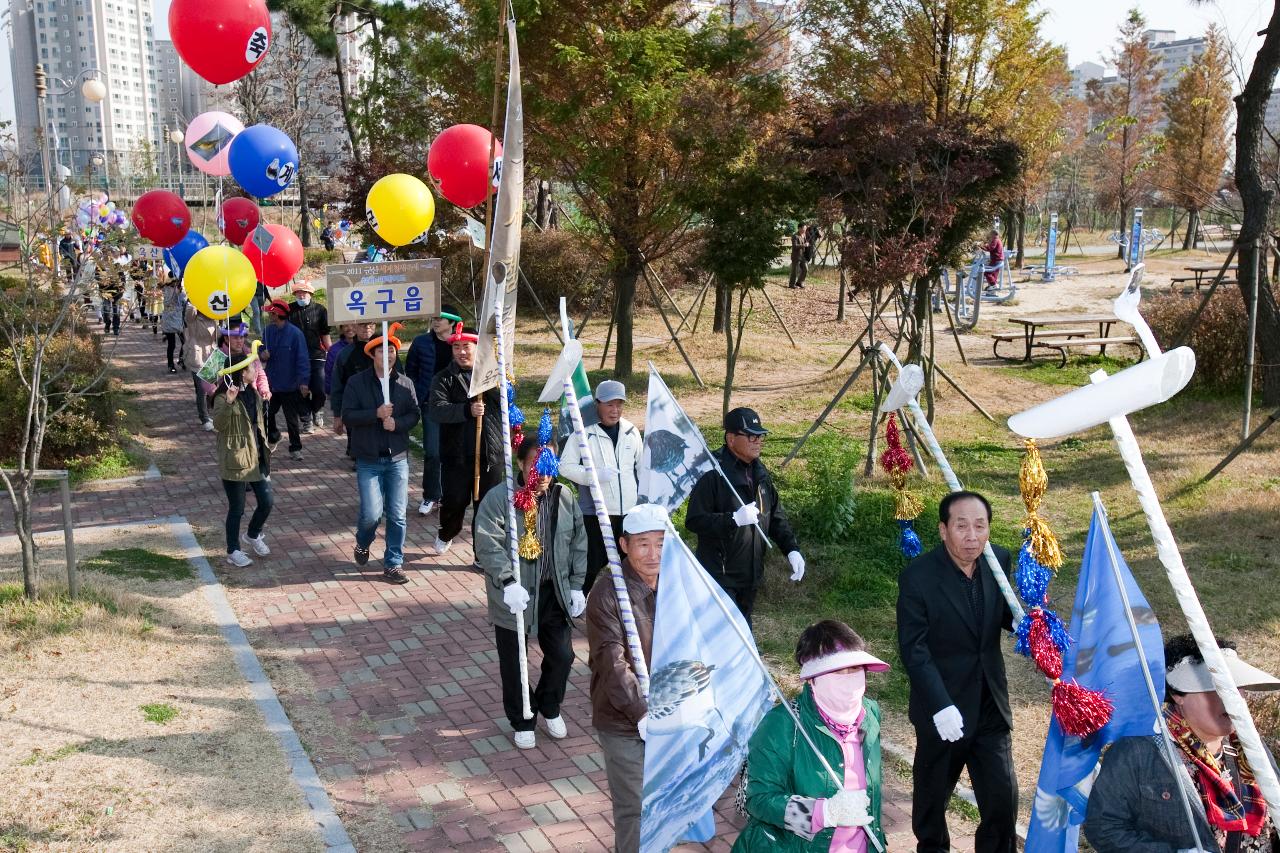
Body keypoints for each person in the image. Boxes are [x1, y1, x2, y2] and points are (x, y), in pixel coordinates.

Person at [896, 490, 1017, 853]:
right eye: (962, 526)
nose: (972, 536)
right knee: (932, 801)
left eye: (980, 526)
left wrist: (1034, 619)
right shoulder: (918, 577)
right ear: (943, 530)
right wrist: (940, 705)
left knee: (1002, 802)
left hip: (990, 703)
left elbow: (1010, 617)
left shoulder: (999, 562)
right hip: (944, 709)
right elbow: (913, 649)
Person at [1084, 634, 1280, 853]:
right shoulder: (1138, 751)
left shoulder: (1251, 745)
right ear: (1178, 695)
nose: (1232, 699)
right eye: (1217, 689)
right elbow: (1103, 827)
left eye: (1237, 688)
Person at [734, 620, 890, 852]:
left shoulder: (870, 714)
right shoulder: (781, 724)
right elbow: (758, 800)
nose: (850, 678)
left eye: (856, 668)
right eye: (838, 670)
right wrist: (823, 813)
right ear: (812, 679)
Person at [474, 437, 588, 750]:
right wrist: (507, 581)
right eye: (536, 465)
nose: (544, 473)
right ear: (522, 465)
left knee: (563, 655)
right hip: (513, 594)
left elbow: (578, 541)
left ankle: (549, 704)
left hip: (554, 592)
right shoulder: (500, 498)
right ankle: (522, 718)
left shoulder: (564, 496)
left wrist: (577, 585)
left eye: (549, 466)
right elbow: (487, 543)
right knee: (515, 660)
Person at [586, 502, 667, 853]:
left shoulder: (677, 583)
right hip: (623, 719)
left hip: (670, 712)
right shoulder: (608, 593)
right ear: (624, 545)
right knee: (634, 808)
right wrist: (641, 712)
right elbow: (612, 662)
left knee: (664, 805)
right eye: (644, 543)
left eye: (661, 543)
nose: (653, 554)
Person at [685, 407, 804, 626]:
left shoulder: (760, 472)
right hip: (720, 575)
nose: (758, 441)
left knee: (744, 631)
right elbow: (694, 520)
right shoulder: (713, 472)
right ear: (731, 438)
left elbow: (775, 515)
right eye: (751, 436)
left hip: (751, 574)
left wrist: (792, 549)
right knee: (725, 636)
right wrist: (733, 519)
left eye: (760, 436)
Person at [340, 327, 419, 585]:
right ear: (372, 354)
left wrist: (397, 423)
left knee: (397, 514)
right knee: (371, 514)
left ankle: (393, 563)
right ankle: (363, 542)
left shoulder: (405, 383)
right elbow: (348, 415)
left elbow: (414, 414)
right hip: (368, 460)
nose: (388, 355)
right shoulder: (357, 382)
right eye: (382, 351)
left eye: (392, 350)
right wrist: (375, 414)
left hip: (397, 458)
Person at [558, 379, 642, 593]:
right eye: (609, 405)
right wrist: (594, 476)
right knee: (590, 564)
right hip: (595, 512)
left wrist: (643, 502)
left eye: (619, 404)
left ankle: (633, 607)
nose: (615, 410)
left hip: (629, 515)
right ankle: (575, 602)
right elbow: (565, 467)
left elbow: (641, 469)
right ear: (597, 404)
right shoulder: (583, 432)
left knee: (631, 566)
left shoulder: (631, 432)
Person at [429, 323, 503, 556]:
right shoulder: (443, 378)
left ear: (477, 347)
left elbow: (508, 402)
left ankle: (482, 553)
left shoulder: (493, 375)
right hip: (456, 455)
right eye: (457, 347)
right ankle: (447, 532)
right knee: (455, 501)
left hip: (489, 453)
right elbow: (437, 410)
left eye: (467, 346)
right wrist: (465, 411)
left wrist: (494, 385)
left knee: (487, 506)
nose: (462, 352)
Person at [211, 365, 273, 568]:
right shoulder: (222, 397)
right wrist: (229, 401)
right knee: (237, 508)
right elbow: (218, 425)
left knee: (266, 501)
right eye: (250, 368)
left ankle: (253, 534)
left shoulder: (253, 393)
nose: (256, 370)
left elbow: (259, 425)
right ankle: (233, 550)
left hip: (256, 458)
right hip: (235, 459)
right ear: (241, 373)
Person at [404, 306, 459, 517]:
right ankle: (431, 495)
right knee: (433, 452)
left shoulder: (460, 343)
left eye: (441, 319)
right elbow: (411, 371)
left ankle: (451, 495)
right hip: (430, 405)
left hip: (456, 407)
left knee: (454, 453)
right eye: (434, 317)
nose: (436, 322)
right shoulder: (421, 342)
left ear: (451, 323)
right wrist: (418, 394)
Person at [260, 298, 311, 461]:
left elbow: (302, 359)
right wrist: (262, 354)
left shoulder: (296, 334)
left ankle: (295, 448)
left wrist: (303, 382)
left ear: (278, 314)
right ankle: (273, 435)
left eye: (271, 313)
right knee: (266, 413)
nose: (269, 315)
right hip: (272, 384)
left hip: (290, 385)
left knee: (291, 420)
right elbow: (260, 349)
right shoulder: (268, 331)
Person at [287, 280, 331, 433]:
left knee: (319, 387)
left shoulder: (320, 310)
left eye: (304, 292)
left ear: (310, 294)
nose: (301, 295)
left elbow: (325, 334)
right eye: (298, 292)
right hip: (295, 358)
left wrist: (331, 352)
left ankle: (317, 410)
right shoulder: (289, 310)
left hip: (316, 355)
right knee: (300, 390)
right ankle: (306, 421)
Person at [182, 295, 218, 431]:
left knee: (212, 388)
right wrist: (195, 296)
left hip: (212, 355)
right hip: (197, 355)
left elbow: (217, 336)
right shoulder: (193, 318)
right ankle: (204, 418)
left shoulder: (214, 319)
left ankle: (210, 414)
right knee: (202, 389)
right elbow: (189, 311)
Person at [159, 278, 186, 373]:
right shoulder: (171, 292)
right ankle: (172, 364)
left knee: (183, 342)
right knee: (174, 344)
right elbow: (184, 301)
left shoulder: (167, 290)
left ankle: (180, 360)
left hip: (175, 321)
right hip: (172, 321)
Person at [325, 323, 355, 399]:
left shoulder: (366, 346)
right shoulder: (334, 349)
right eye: (346, 325)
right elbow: (329, 373)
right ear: (341, 329)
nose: (350, 328)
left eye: (353, 325)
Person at [789, 223, 808, 289]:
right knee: (795, 271)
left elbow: (805, 243)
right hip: (796, 256)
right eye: (803, 228)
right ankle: (791, 284)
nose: (805, 230)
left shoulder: (804, 235)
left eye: (805, 229)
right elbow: (795, 246)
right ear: (799, 228)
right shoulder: (795, 236)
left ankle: (799, 282)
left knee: (805, 269)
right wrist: (804, 245)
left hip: (803, 256)